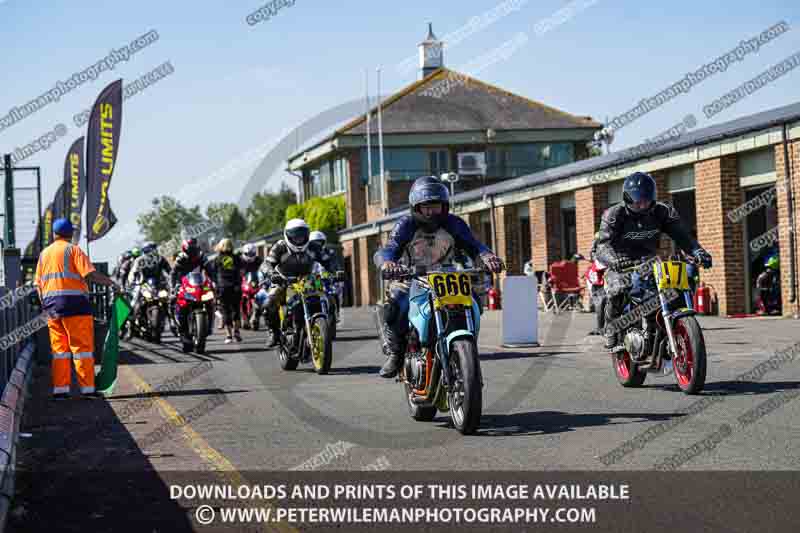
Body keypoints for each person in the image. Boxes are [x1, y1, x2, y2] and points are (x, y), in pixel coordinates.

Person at [373, 176, 505, 378]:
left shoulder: (454, 224)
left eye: (436, 206)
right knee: (395, 307)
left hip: (446, 275)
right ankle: (396, 354)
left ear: (444, 206)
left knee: (474, 302)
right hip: (410, 276)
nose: (431, 212)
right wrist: (387, 263)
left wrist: (487, 257)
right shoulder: (405, 225)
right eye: (426, 206)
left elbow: (474, 246)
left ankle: (466, 343)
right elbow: (389, 249)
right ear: (416, 207)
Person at [594, 172, 712, 352]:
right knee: (617, 289)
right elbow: (602, 246)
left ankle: (665, 327)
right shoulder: (614, 214)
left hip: (649, 262)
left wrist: (698, 252)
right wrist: (614, 259)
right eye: (637, 201)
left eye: (647, 200)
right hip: (621, 262)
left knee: (677, 286)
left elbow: (683, 237)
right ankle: (611, 329)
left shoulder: (663, 212)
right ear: (627, 198)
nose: (642, 205)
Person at [34, 218, 120, 400]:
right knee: (82, 349)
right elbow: (90, 275)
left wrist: (45, 306)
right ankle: (87, 389)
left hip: (51, 308)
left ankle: (60, 391)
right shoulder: (74, 250)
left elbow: (38, 285)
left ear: (54, 234)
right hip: (75, 306)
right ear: (71, 234)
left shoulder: (44, 254)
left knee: (59, 351)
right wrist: (111, 283)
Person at [262, 219, 318, 347]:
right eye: (295, 236)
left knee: (320, 298)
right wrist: (272, 274)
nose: (299, 239)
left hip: (307, 281)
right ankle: (274, 332)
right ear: (287, 235)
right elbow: (267, 263)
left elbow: (328, 259)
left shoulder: (313, 246)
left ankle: (318, 323)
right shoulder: (280, 246)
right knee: (269, 303)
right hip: (283, 281)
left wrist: (337, 270)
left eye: (302, 235)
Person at [169, 238, 213, 342]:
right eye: (191, 249)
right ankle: (177, 325)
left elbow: (210, 270)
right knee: (174, 301)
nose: (193, 252)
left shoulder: (201, 256)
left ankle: (210, 325)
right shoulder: (180, 258)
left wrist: (214, 282)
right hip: (182, 283)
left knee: (210, 300)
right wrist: (173, 287)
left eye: (194, 248)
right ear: (185, 249)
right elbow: (173, 273)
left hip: (198, 283)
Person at [128, 241, 171, 321]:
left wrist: (171, 280)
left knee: (170, 299)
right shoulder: (139, 260)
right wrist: (131, 281)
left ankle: (172, 320)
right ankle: (133, 319)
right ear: (146, 250)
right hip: (143, 284)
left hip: (159, 284)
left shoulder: (161, 259)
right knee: (135, 300)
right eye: (152, 249)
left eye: (155, 248)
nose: (155, 250)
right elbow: (133, 272)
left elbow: (169, 271)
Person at [211, 238, 244, 343]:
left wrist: (216, 283)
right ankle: (237, 332)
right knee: (236, 310)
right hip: (235, 287)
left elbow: (212, 273)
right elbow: (242, 271)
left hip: (223, 288)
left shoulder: (217, 259)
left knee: (226, 311)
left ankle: (229, 336)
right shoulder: (237, 258)